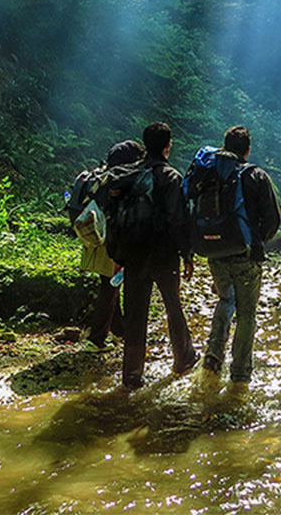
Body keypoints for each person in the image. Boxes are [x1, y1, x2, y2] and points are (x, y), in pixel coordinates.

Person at [120, 122, 197, 389]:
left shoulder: (129, 174)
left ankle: (131, 375)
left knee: (135, 315)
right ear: (168, 146)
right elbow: (178, 219)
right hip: (164, 255)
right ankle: (183, 359)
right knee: (173, 306)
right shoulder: (171, 176)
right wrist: (187, 254)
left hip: (133, 254)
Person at [201, 125, 281, 387]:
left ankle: (213, 355)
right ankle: (240, 373)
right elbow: (272, 219)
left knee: (225, 299)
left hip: (213, 250)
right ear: (247, 150)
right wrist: (257, 241)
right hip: (245, 254)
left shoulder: (208, 172)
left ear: (224, 146)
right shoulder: (255, 175)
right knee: (247, 312)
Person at [75, 139, 143, 353]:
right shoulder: (121, 181)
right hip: (110, 240)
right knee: (109, 286)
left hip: (95, 233)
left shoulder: (103, 177)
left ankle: (119, 330)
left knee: (110, 283)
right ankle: (96, 340)